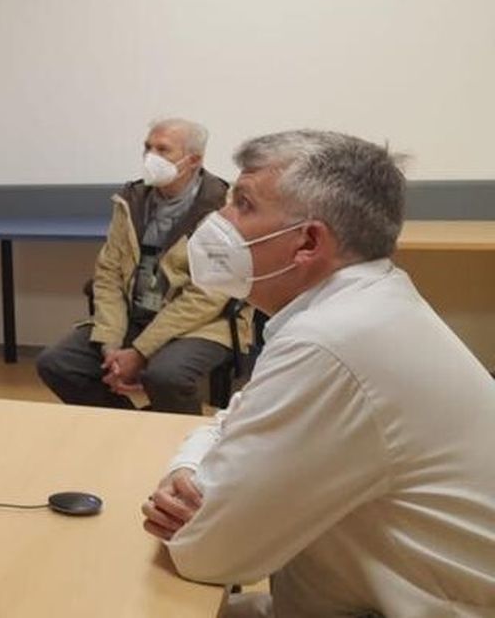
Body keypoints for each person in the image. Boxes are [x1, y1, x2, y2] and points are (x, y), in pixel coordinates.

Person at [142, 130, 495, 615]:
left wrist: (193, 499)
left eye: (242, 204)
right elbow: (239, 415)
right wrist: (187, 469)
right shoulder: (366, 304)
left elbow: (206, 553)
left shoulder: (332, 341)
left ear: (308, 241)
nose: (219, 220)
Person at [36, 118, 249, 414]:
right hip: (137, 313)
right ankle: (124, 427)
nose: (151, 157)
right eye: (147, 147)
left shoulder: (223, 208)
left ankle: (180, 445)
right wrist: (111, 345)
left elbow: (208, 296)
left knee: (165, 376)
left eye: (163, 150)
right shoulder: (131, 200)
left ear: (194, 160)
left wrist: (139, 351)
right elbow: (108, 274)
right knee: (57, 363)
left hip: (202, 323)